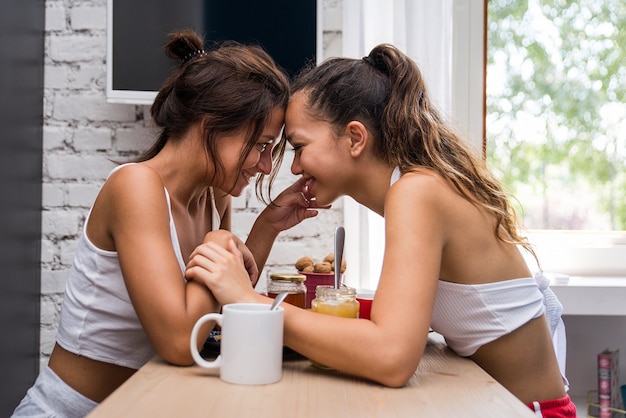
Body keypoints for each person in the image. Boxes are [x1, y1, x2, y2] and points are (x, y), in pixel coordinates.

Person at [186, 44, 577, 417]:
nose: (294, 168)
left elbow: (391, 357)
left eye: (299, 147)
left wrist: (248, 302)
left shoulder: (416, 192)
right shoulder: (413, 189)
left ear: (355, 138)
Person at [12, 29, 319, 417]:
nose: (263, 165)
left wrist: (265, 228)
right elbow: (180, 342)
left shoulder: (214, 195)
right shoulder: (135, 187)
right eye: (261, 146)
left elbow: (219, 306)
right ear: (210, 125)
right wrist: (220, 241)